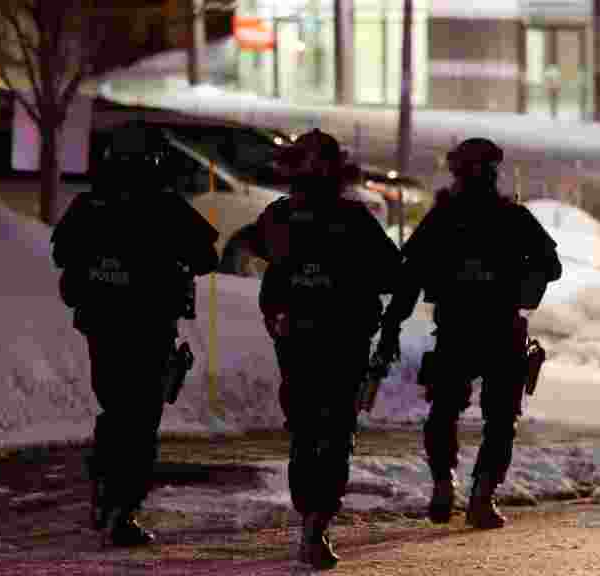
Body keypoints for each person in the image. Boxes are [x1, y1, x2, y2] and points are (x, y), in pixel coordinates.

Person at [380, 137, 562, 529]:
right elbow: (551, 265)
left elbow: (410, 276)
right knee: (499, 419)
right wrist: (522, 290)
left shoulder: (444, 218)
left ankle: (444, 485)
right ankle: (480, 495)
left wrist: (392, 326)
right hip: (499, 329)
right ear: (494, 173)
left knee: (445, 411)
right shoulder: (511, 216)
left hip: (458, 329)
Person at [51, 123, 219, 547]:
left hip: (102, 325)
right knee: (140, 420)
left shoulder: (91, 204)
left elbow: (62, 252)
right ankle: (121, 509)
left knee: (114, 411)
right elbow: (206, 256)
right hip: (148, 328)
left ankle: (104, 494)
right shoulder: (164, 205)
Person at [251, 129, 404, 569]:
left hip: (307, 339)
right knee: (330, 433)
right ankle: (315, 522)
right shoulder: (349, 217)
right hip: (334, 340)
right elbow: (392, 274)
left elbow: (260, 253)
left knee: (310, 432)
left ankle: (312, 519)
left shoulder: (280, 215)